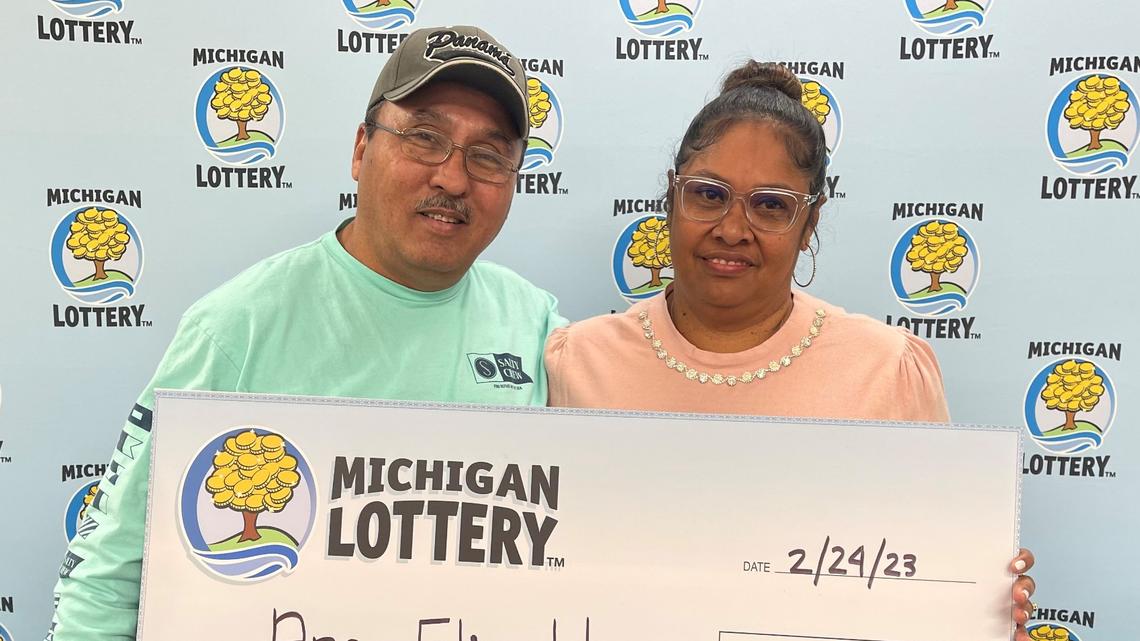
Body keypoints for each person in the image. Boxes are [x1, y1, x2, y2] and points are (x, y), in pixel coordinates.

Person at [47, 26, 564, 641]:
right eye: (425, 138)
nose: (453, 179)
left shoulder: (539, 328)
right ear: (361, 150)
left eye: (488, 156)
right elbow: (108, 577)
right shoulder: (237, 328)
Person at [544, 61, 1037, 639]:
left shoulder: (886, 370)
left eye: (771, 205)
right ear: (671, 197)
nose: (733, 229)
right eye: (708, 195)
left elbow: (933, 569)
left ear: (810, 223)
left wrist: (976, 605)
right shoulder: (579, 361)